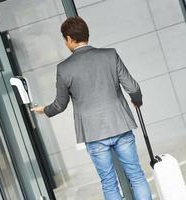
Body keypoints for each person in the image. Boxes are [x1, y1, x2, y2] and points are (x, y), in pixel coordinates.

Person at [31, 16, 152, 200]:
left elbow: (60, 105)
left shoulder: (64, 69)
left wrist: (45, 110)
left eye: (65, 40)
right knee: (136, 176)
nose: (66, 43)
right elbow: (133, 88)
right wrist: (137, 100)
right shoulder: (110, 55)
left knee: (109, 183)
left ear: (69, 39)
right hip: (120, 124)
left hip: (93, 135)